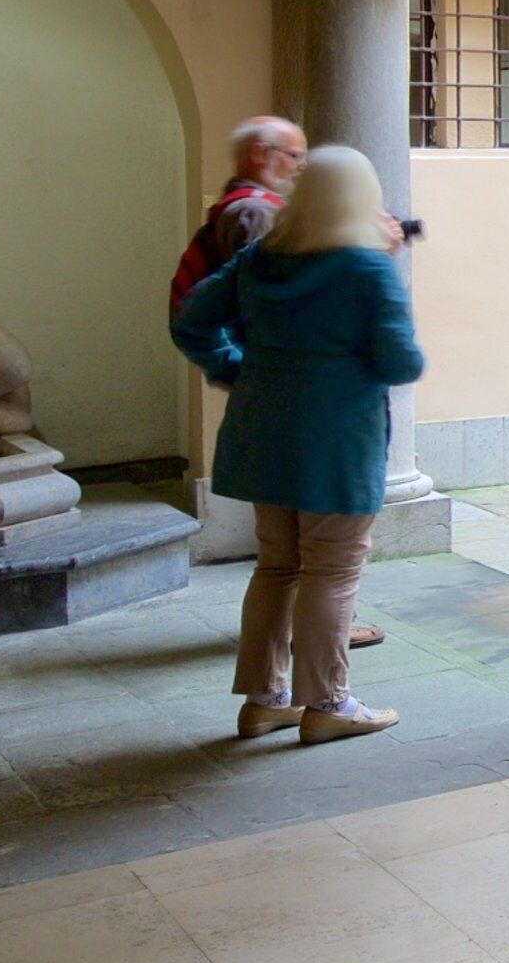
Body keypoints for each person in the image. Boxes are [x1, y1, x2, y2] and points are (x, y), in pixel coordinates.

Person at [172, 144, 420, 743]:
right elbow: (401, 360)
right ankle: (328, 704)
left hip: (265, 432)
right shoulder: (367, 266)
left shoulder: (261, 258)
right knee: (332, 573)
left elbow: (191, 321)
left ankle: (265, 701)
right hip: (335, 441)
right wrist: (387, 260)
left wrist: (235, 367)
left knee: (277, 565)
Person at [173, 117, 303, 309]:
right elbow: (268, 295)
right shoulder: (256, 211)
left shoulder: (238, 204)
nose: (301, 165)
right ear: (259, 153)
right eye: (294, 156)